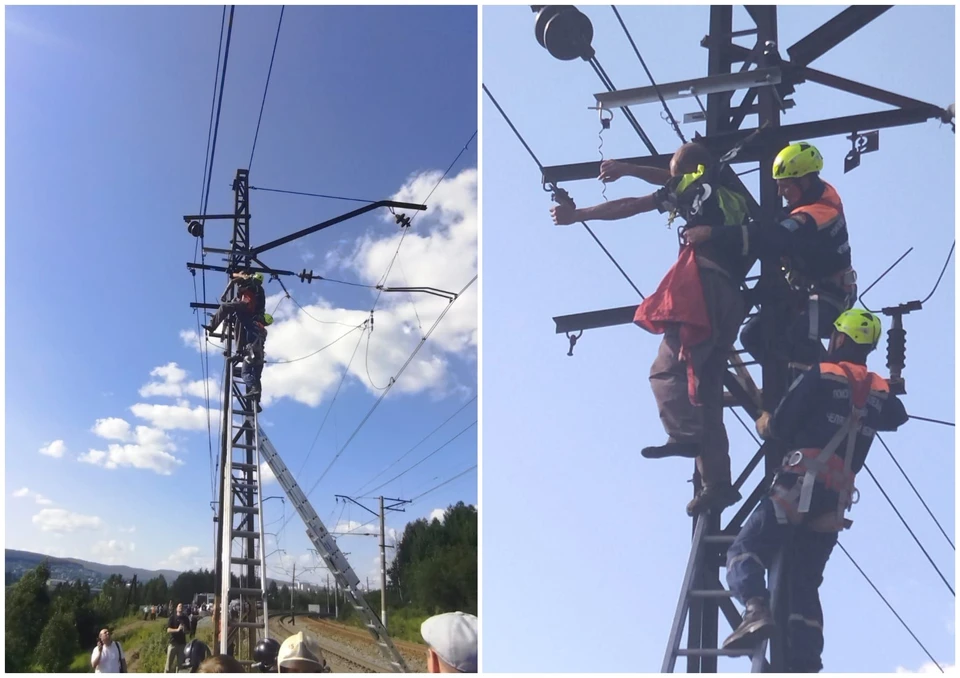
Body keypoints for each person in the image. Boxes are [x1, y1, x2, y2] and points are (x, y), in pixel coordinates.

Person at [551, 142, 753, 515]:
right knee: (704, 387)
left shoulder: (691, 188)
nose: (671, 179)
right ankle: (717, 484)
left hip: (704, 287)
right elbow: (672, 179)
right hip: (732, 298)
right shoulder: (728, 196)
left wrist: (579, 215)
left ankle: (684, 436)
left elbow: (632, 204)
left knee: (668, 369)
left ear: (689, 172)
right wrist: (628, 167)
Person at [722, 309, 908, 671]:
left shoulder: (821, 374)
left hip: (797, 486)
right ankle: (806, 658)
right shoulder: (880, 391)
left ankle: (755, 609)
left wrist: (765, 423)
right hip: (832, 504)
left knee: (745, 549)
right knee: (804, 579)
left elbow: (783, 422)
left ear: (838, 338)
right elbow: (897, 417)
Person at [685, 141, 856, 368]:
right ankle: (785, 385)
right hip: (802, 291)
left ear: (803, 181)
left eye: (785, 187)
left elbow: (772, 237)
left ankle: (820, 386)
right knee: (752, 336)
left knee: (803, 336)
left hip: (829, 296)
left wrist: (712, 233)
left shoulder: (818, 214)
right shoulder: (818, 193)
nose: (780, 192)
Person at [204, 271, 267, 342]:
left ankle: (212, 327)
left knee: (225, 306)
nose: (256, 284)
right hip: (244, 307)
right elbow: (232, 282)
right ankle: (240, 349)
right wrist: (224, 294)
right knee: (238, 323)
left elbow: (261, 304)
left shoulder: (258, 289)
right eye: (256, 281)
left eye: (258, 283)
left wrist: (259, 315)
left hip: (247, 306)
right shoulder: (246, 279)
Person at [165, 602, 192, 673]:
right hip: (173, 644)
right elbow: (168, 630)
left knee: (180, 666)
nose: (181, 607)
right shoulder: (172, 617)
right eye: (179, 606)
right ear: (176, 608)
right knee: (168, 666)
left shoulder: (186, 618)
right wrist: (177, 630)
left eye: (182, 606)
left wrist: (185, 630)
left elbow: (189, 631)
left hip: (182, 645)